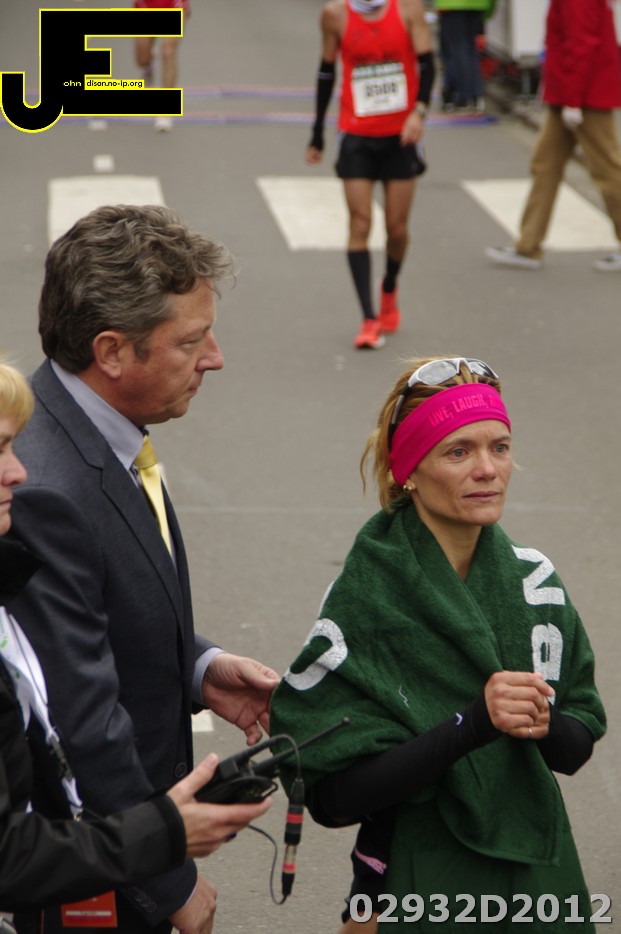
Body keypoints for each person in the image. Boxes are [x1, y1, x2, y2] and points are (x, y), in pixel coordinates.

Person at [7, 205, 281, 934]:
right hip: (96, 874)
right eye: (190, 341)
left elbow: (92, 620)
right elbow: (78, 718)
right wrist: (169, 881)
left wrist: (199, 668)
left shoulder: (86, 432)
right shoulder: (44, 489)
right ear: (111, 351)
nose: (214, 357)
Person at [270, 355, 606, 932]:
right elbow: (333, 799)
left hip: (540, 870)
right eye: (459, 452)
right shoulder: (365, 598)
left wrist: (542, 720)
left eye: (499, 447)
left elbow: (574, 751)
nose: (488, 470)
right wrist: (471, 724)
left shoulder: (536, 585)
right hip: (412, 876)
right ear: (409, 471)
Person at [306, 0, 435, 349]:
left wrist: (419, 113)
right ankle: (368, 318)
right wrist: (317, 133)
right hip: (356, 135)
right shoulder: (335, 15)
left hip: (400, 135)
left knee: (397, 228)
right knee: (360, 224)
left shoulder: (407, 9)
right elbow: (326, 71)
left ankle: (389, 286)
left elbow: (427, 64)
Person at [485, 0, 621, 272]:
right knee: (546, 165)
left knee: (607, 170)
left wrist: (572, 100)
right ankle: (528, 245)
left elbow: (581, 43)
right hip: (576, 92)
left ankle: (528, 245)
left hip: (582, 94)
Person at [134, 0, 190, 132]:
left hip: (174, 5)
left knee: (168, 52)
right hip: (146, 5)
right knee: (142, 60)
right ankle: (149, 65)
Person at [434, 0, 496, 112]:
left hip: (451, 5)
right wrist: (489, 9)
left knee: (456, 49)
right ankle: (475, 94)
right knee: (470, 49)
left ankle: (459, 95)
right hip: (479, 4)